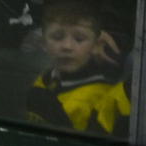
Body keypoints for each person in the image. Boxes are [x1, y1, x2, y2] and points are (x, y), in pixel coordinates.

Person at [27, 0, 131, 137]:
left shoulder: (101, 95)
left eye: (79, 39)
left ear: (96, 44)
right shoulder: (39, 79)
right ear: (43, 42)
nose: (67, 46)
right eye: (57, 37)